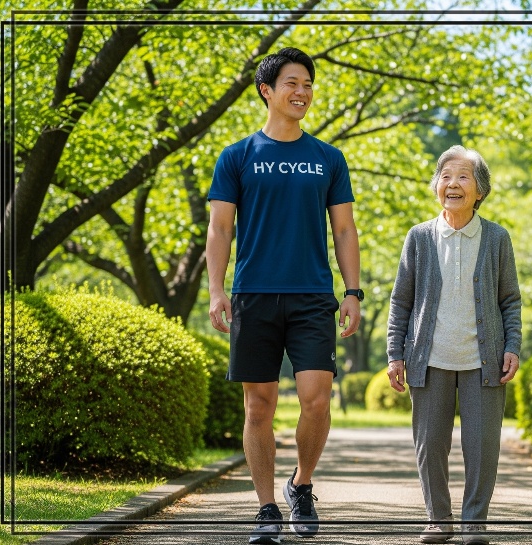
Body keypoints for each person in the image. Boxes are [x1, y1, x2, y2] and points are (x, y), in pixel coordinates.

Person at [206, 47, 363, 545]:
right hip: (253, 294)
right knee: (260, 406)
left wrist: (352, 290)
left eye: (308, 84)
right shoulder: (237, 156)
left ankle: (301, 485)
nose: (302, 92)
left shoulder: (328, 158)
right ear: (267, 91)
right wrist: (216, 289)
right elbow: (220, 228)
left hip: (313, 295)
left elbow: (344, 230)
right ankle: (266, 507)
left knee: (316, 399)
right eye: (292, 83)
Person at [386, 145, 522, 545]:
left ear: (480, 190)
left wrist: (512, 345)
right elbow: (401, 300)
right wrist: (395, 353)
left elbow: (509, 300)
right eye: (445, 175)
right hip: (429, 358)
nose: (452, 183)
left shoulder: (497, 238)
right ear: (436, 186)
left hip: (485, 360)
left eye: (463, 176)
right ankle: (438, 519)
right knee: (431, 446)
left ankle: (474, 522)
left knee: (482, 448)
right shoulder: (420, 237)